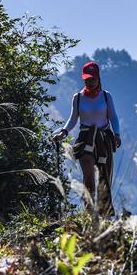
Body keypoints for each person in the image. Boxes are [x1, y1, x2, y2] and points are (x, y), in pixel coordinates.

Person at [53, 61, 121, 217]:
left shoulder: (106, 96)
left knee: (104, 176)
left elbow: (113, 117)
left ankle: (103, 214)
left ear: (98, 78)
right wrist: (63, 132)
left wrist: (116, 134)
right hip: (85, 139)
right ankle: (89, 211)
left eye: (92, 79)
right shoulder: (77, 98)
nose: (89, 82)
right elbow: (73, 119)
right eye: (86, 79)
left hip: (103, 139)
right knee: (88, 175)